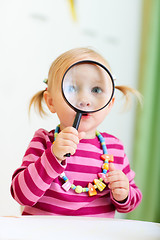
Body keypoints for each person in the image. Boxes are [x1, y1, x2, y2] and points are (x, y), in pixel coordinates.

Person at [10, 47, 142, 217]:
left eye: (96, 90)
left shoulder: (114, 148)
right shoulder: (43, 141)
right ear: (51, 102)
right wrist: (53, 156)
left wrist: (124, 194)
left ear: (110, 104)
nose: (85, 100)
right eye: (72, 89)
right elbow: (21, 196)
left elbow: (130, 205)